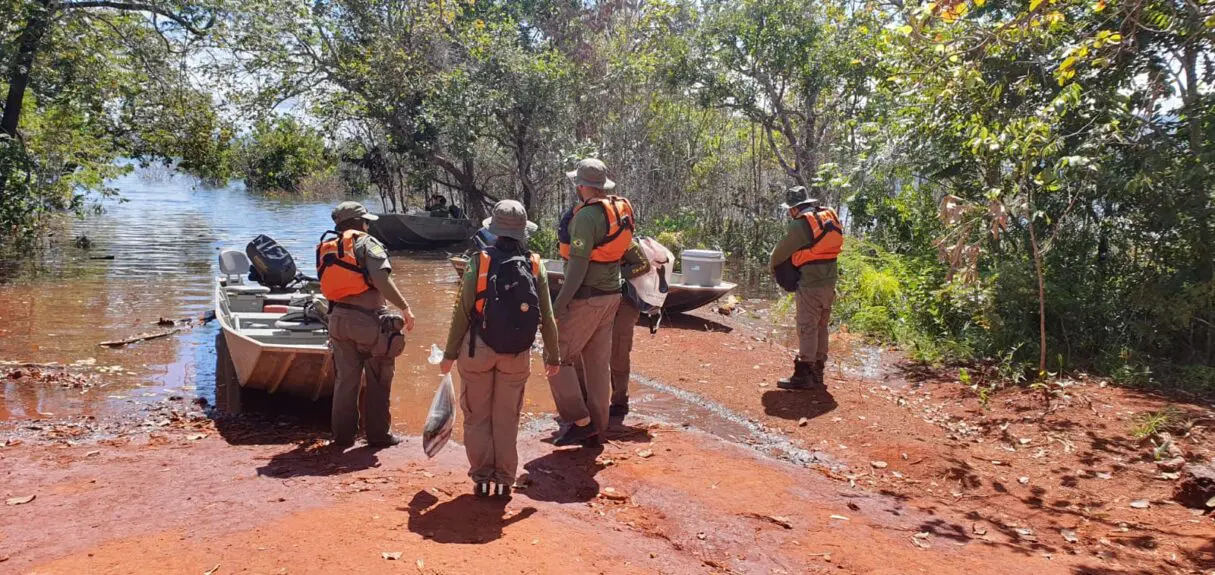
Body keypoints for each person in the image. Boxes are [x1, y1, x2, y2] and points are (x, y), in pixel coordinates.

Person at [439, 200, 560, 498]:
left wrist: (449, 354)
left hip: (477, 351)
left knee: (477, 416)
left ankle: (482, 477)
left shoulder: (477, 262)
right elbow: (547, 315)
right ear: (523, 232)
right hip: (517, 353)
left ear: (493, 231)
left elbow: (462, 312)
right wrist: (553, 355)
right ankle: (505, 479)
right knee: (507, 418)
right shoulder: (535, 264)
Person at [547, 158, 635, 447]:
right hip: (611, 296)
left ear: (581, 186)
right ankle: (597, 426)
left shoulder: (586, 217)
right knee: (597, 364)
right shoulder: (616, 210)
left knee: (555, 356)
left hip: (588, 298)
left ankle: (580, 420)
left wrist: (557, 307)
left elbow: (577, 268)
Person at [316, 201, 416, 448]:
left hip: (338, 320)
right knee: (379, 379)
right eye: (366, 221)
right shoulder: (367, 243)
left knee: (345, 383)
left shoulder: (328, 248)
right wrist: (405, 308)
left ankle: (342, 438)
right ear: (360, 223)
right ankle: (378, 436)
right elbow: (381, 279)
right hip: (369, 323)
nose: (368, 225)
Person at [559, 207, 649, 420]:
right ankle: (586, 403)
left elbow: (642, 265)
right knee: (583, 352)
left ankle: (619, 400)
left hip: (624, 303)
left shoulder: (619, 239)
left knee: (618, 352)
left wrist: (614, 275)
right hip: (594, 302)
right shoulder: (577, 240)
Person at [768, 186, 844, 390]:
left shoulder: (800, 226)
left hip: (811, 284)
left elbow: (778, 255)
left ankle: (803, 375)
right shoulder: (824, 218)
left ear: (794, 208)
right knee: (821, 326)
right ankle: (818, 372)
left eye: (789, 210)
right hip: (829, 283)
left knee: (806, 327)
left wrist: (774, 270)